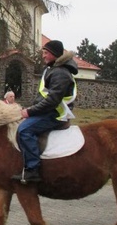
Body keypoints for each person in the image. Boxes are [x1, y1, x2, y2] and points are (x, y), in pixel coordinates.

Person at [12, 40, 78, 184]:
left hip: (55, 114)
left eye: (45, 53)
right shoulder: (53, 69)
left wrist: (29, 112)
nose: (43, 56)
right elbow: (43, 97)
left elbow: (52, 100)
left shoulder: (60, 73)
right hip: (48, 111)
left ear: (54, 54)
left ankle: (32, 170)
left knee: (24, 130)